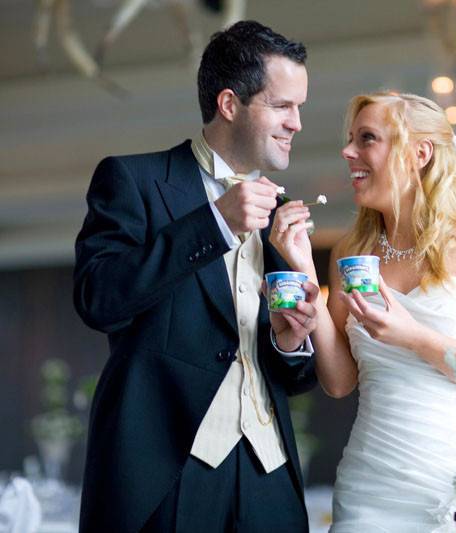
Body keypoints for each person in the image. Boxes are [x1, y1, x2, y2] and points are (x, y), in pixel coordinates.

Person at [73, 21, 318, 532]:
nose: (297, 123)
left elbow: (293, 378)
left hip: (268, 472)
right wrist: (214, 223)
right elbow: (98, 299)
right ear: (230, 104)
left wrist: (291, 342)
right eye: (282, 106)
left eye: (300, 108)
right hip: (167, 470)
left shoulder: (281, 216)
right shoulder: (134, 180)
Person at [269, 92, 456, 531]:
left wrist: (414, 336)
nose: (349, 152)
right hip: (369, 485)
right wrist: (305, 270)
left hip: (453, 483)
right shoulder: (351, 252)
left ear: (419, 153)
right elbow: (339, 382)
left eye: (367, 138)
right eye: (350, 139)